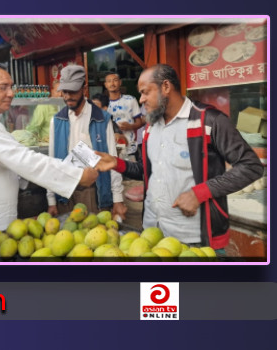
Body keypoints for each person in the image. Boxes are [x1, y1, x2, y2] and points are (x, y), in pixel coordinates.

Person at [95, 64, 263, 249]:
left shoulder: (208, 121)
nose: (141, 99)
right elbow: (149, 171)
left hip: (195, 239)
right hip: (152, 233)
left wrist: (199, 193)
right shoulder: (151, 127)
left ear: (166, 87)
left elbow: (251, 166)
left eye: (145, 92)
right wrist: (117, 164)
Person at [0, 62, 98, 242]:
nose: (10, 93)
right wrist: (77, 176)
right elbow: (23, 159)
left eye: (10, 86)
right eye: (3, 87)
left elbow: (10, 162)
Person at [46, 65, 126, 219]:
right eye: (65, 91)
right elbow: (51, 161)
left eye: (73, 91)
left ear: (84, 88)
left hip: (92, 191)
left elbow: (112, 159)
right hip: (64, 192)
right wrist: (51, 200)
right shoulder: (56, 121)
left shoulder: (102, 119)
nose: (68, 96)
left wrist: (117, 199)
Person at [104, 72, 144, 154]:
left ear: (120, 82)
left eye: (115, 80)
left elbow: (139, 122)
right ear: (105, 85)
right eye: (109, 81)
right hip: (110, 149)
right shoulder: (103, 104)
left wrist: (130, 126)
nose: (112, 83)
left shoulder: (130, 100)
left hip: (130, 148)